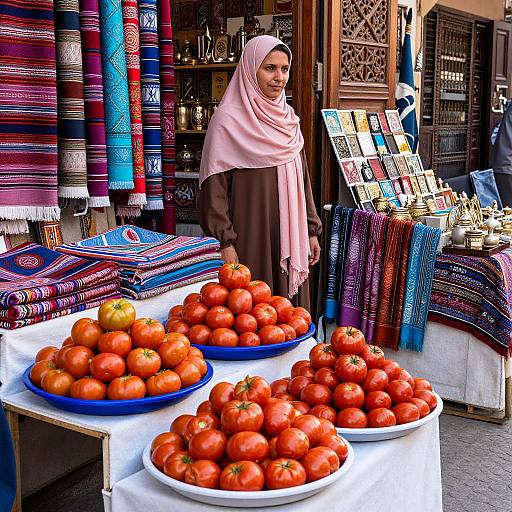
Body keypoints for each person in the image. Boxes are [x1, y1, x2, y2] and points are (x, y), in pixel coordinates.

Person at [199, 35, 322, 309]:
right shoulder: (227, 121)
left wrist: (311, 230)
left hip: (291, 231)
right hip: (249, 234)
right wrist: (224, 242)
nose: (279, 77)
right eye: (269, 68)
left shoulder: (288, 120)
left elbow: (303, 180)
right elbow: (213, 187)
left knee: (289, 317)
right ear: (250, 68)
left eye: (284, 69)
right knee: (252, 313)